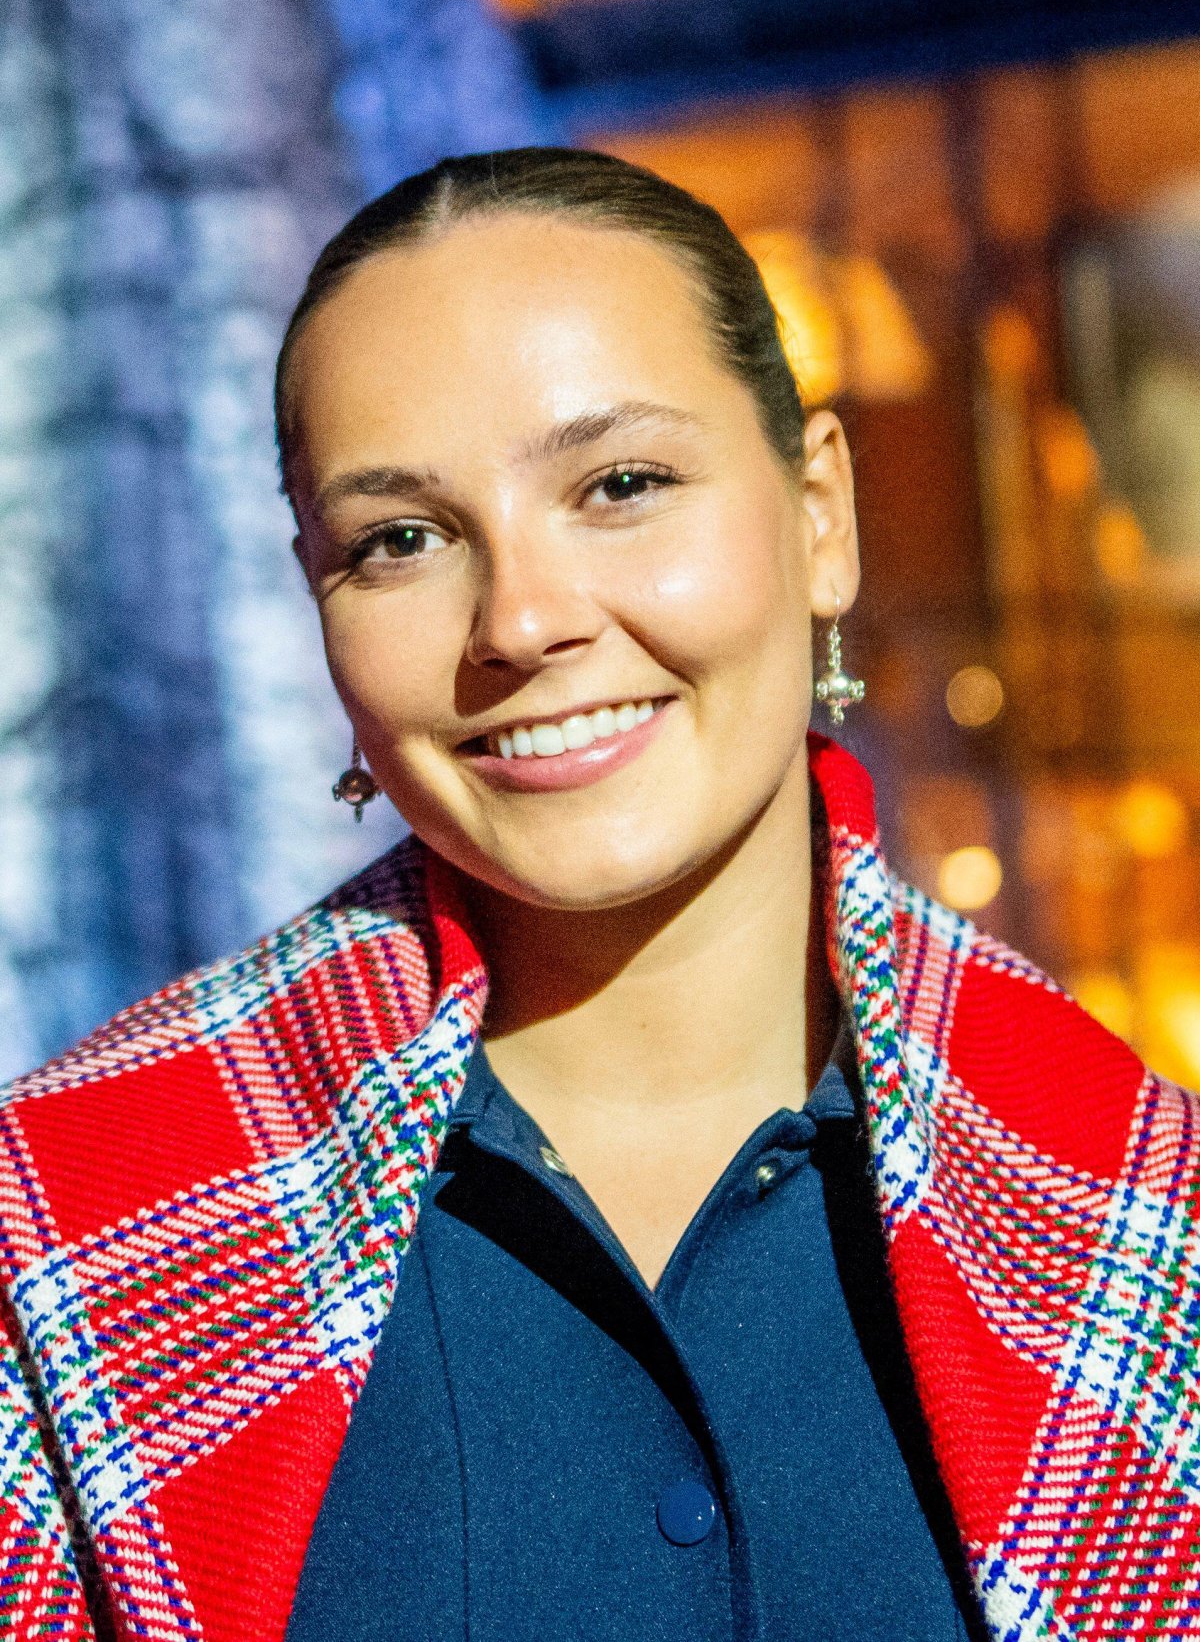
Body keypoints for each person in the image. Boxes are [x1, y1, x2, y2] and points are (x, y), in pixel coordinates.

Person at [0, 148, 1196, 1642]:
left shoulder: (1140, 1208)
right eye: (400, 540)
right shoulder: (74, 1224)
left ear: (819, 514)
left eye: (620, 484)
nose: (521, 618)